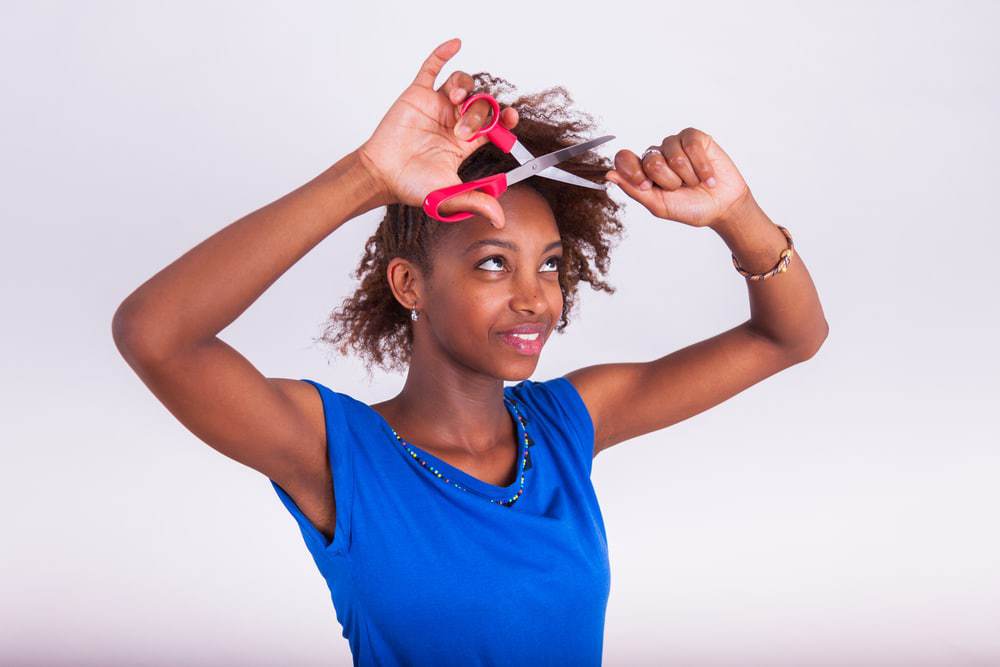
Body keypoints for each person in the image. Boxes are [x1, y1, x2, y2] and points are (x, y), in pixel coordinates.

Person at [112, 36, 828, 667]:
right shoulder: (337, 453)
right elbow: (155, 333)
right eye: (492, 262)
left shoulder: (568, 423)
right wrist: (367, 175)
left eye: (549, 264)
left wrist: (739, 215)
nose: (535, 297)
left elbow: (789, 336)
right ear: (409, 283)